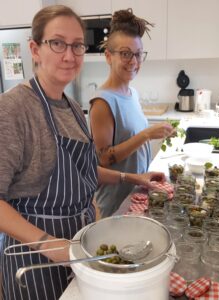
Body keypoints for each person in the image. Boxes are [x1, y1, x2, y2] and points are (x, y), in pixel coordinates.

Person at [0, 5, 166, 300]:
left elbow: (85, 170)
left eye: (77, 45)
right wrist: (51, 246)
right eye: (58, 43)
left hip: (80, 245)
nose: (70, 54)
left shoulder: (73, 108)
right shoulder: (13, 109)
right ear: (35, 49)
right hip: (36, 258)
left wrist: (134, 177)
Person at [89, 9, 175, 218]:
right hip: (114, 203)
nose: (134, 61)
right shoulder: (102, 102)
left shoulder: (132, 93)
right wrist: (146, 135)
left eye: (138, 54)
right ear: (109, 56)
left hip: (136, 193)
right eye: (126, 53)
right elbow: (104, 159)